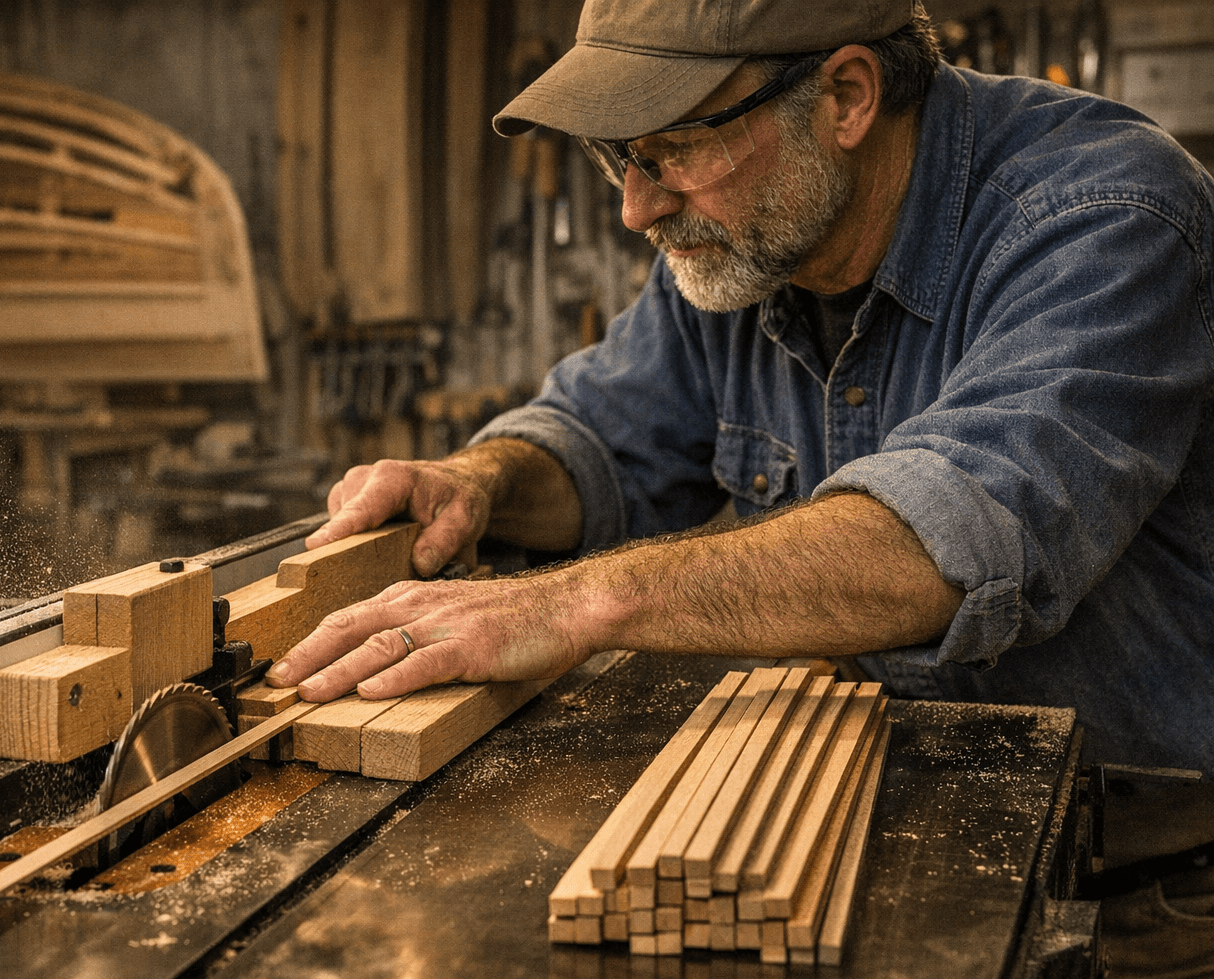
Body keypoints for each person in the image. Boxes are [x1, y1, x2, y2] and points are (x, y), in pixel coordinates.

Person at [264, 0, 1214, 773]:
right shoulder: (741, 241)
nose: (638, 207)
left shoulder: (1104, 219)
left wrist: (574, 604)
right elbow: (602, 441)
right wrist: (482, 481)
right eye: (617, 157)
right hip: (892, 801)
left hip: (1138, 878)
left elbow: (947, 542)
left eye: (673, 148)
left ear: (845, 96)